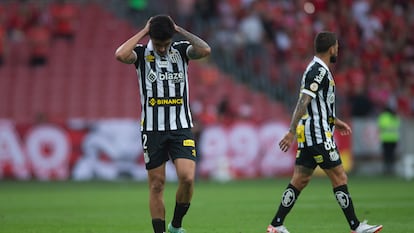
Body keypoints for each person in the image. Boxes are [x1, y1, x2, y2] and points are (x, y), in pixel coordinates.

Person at [266, 31, 383, 233]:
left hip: (311, 133)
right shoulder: (318, 71)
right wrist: (290, 131)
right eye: (337, 46)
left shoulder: (317, 69)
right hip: (317, 134)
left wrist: (334, 120)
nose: (337, 49)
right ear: (332, 48)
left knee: (299, 180)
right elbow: (303, 101)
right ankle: (356, 227)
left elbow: (316, 104)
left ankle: (276, 224)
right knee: (339, 177)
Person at [115, 15, 211, 233]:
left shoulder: (180, 50)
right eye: (158, 44)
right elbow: (120, 54)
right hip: (152, 130)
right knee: (157, 185)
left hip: (181, 127)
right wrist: (144, 30)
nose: (162, 48)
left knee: (187, 178)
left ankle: (176, 226)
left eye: (165, 44)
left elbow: (205, 50)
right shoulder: (140, 54)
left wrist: (179, 30)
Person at [377, 105, 400, 175]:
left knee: (386, 155)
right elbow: (398, 125)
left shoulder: (383, 116)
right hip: (394, 138)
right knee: (392, 154)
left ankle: (386, 170)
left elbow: (381, 127)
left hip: (385, 138)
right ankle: (392, 169)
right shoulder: (395, 116)